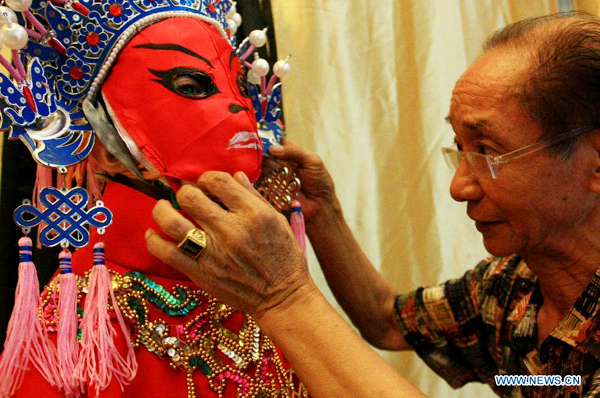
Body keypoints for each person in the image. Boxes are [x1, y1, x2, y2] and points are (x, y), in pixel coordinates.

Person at [146, 12, 600, 398]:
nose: (459, 188)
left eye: (487, 152)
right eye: (460, 150)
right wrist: (323, 212)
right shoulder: (512, 289)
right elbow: (386, 321)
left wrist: (281, 297)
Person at [0, 1, 309, 397]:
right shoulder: (86, 325)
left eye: (241, 87)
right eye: (191, 87)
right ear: (107, 147)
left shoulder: (264, 266)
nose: (237, 107)